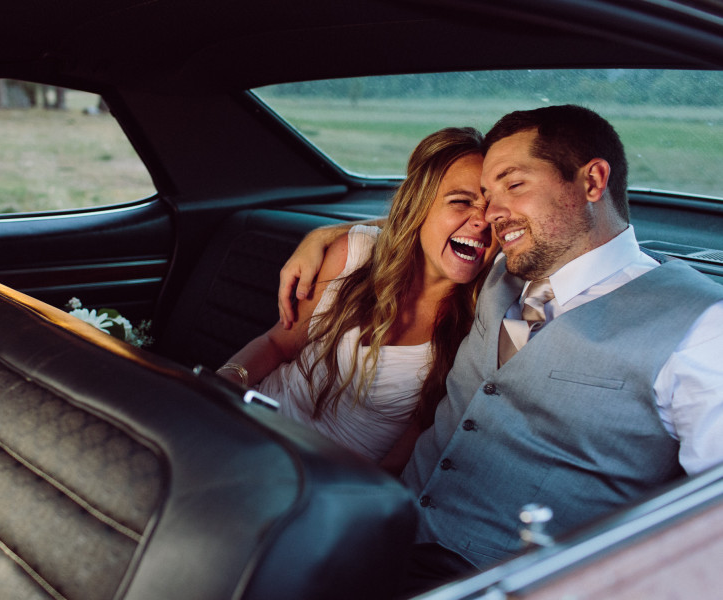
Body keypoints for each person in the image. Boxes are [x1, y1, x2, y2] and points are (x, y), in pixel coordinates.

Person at [277, 104, 723, 593]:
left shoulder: (701, 325)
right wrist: (330, 234)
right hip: (373, 526)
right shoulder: (499, 269)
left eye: (514, 186)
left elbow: (711, 526)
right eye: (485, 197)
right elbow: (422, 232)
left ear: (592, 182)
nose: (489, 216)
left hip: (502, 579)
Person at [217, 127, 497, 464]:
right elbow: (277, 344)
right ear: (419, 206)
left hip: (334, 483)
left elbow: (409, 446)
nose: (481, 221)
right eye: (461, 201)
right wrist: (222, 386)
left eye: (492, 209)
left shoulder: (483, 317)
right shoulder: (356, 253)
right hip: (251, 429)